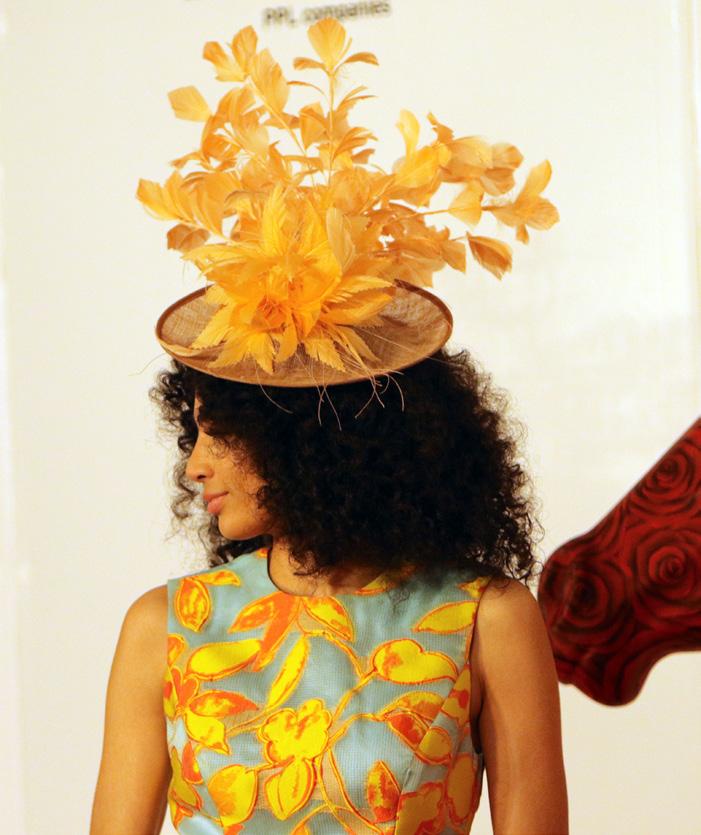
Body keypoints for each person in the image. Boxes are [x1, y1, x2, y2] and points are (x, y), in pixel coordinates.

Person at [90, 16, 568, 834]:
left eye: (219, 433)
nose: (194, 466)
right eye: (192, 433)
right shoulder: (163, 628)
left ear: (310, 435)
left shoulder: (485, 618)